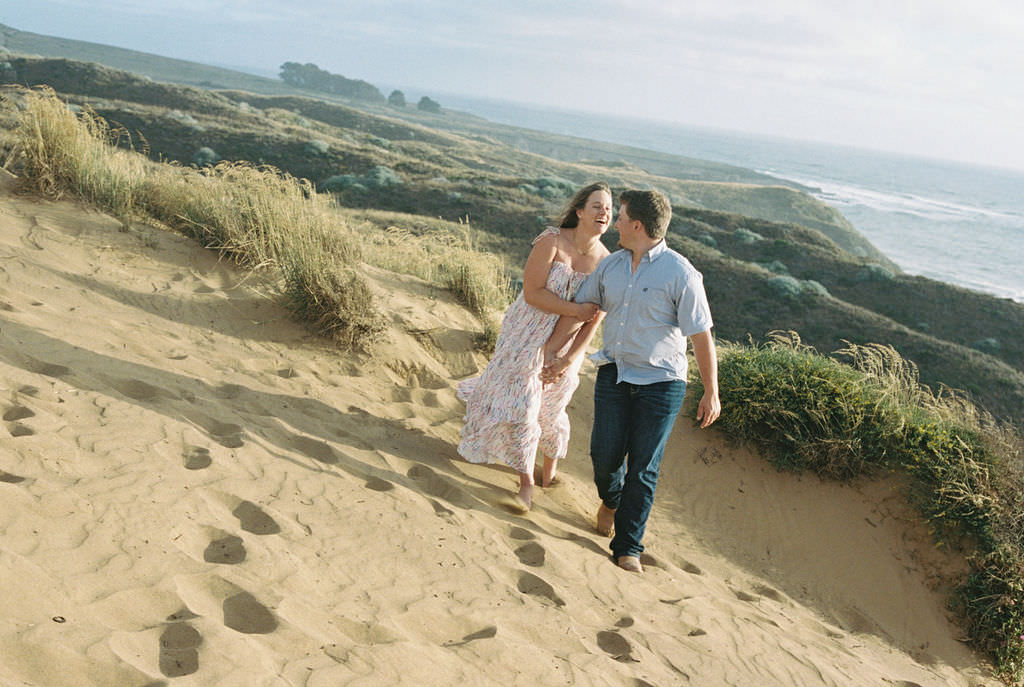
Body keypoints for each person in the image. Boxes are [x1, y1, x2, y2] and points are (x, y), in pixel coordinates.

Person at [542, 189, 720, 573]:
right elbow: (584, 312)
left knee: (643, 466)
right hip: (616, 374)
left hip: (662, 383)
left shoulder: (681, 273)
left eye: (620, 217)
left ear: (637, 225)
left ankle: (628, 548)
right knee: (604, 458)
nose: (615, 223)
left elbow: (701, 335)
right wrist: (552, 354)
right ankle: (611, 499)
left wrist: (711, 391)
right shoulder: (611, 266)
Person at [457, 182, 613, 512]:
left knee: (552, 405)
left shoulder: (606, 263)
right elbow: (533, 293)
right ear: (580, 211)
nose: (604, 213)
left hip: (569, 343)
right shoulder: (551, 241)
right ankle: (526, 483)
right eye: (597, 206)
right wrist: (574, 309)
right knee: (525, 405)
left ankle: (549, 470)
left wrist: (569, 358)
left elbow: (594, 319)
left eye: (609, 209)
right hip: (526, 334)